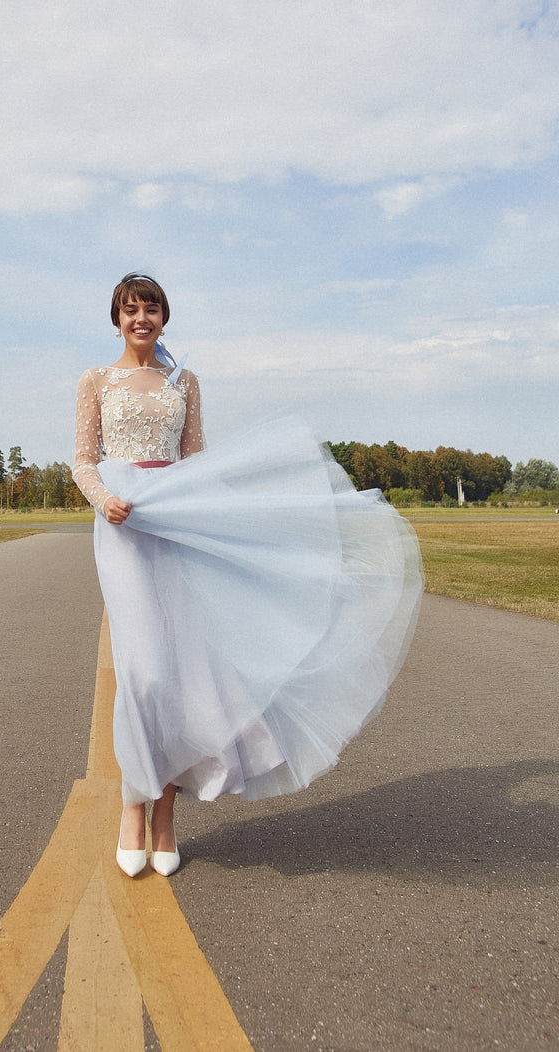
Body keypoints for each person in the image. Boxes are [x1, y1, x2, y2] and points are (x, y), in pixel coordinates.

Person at [72, 273, 423, 878]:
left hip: (177, 515)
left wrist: (224, 514)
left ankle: (164, 820)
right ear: (116, 318)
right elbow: (82, 458)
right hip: (123, 524)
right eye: (130, 310)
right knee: (145, 674)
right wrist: (104, 499)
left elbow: (197, 456)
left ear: (164, 318)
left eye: (151, 309)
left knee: (185, 670)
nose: (141, 319)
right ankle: (133, 805)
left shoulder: (185, 381)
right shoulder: (95, 381)